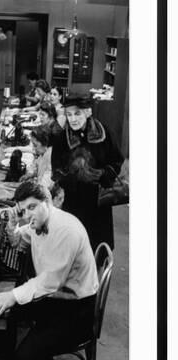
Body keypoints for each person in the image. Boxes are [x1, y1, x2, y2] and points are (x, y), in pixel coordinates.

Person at [0, 181, 98, 360]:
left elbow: (49, 282)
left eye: (32, 207)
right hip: (58, 298)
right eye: (23, 211)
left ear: (47, 202)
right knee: (2, 313)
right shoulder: (40, 221)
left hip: (77, 310)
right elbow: (21, 239)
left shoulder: (65, 230)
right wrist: (12, 228)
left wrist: (12, 295)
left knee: (26, 358)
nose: (27, 215)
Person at [51, 96, 124, 250]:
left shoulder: (103, 133)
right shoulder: (61, 138)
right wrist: (72, 176)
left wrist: (102, 174)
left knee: (98, 243)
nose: (72, 119)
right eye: (69, 115)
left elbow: (117, 160)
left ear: (88, 112)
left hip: (99, 198)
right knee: (75, 244)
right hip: (74, 199)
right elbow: (56, 169)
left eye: (77, 114)